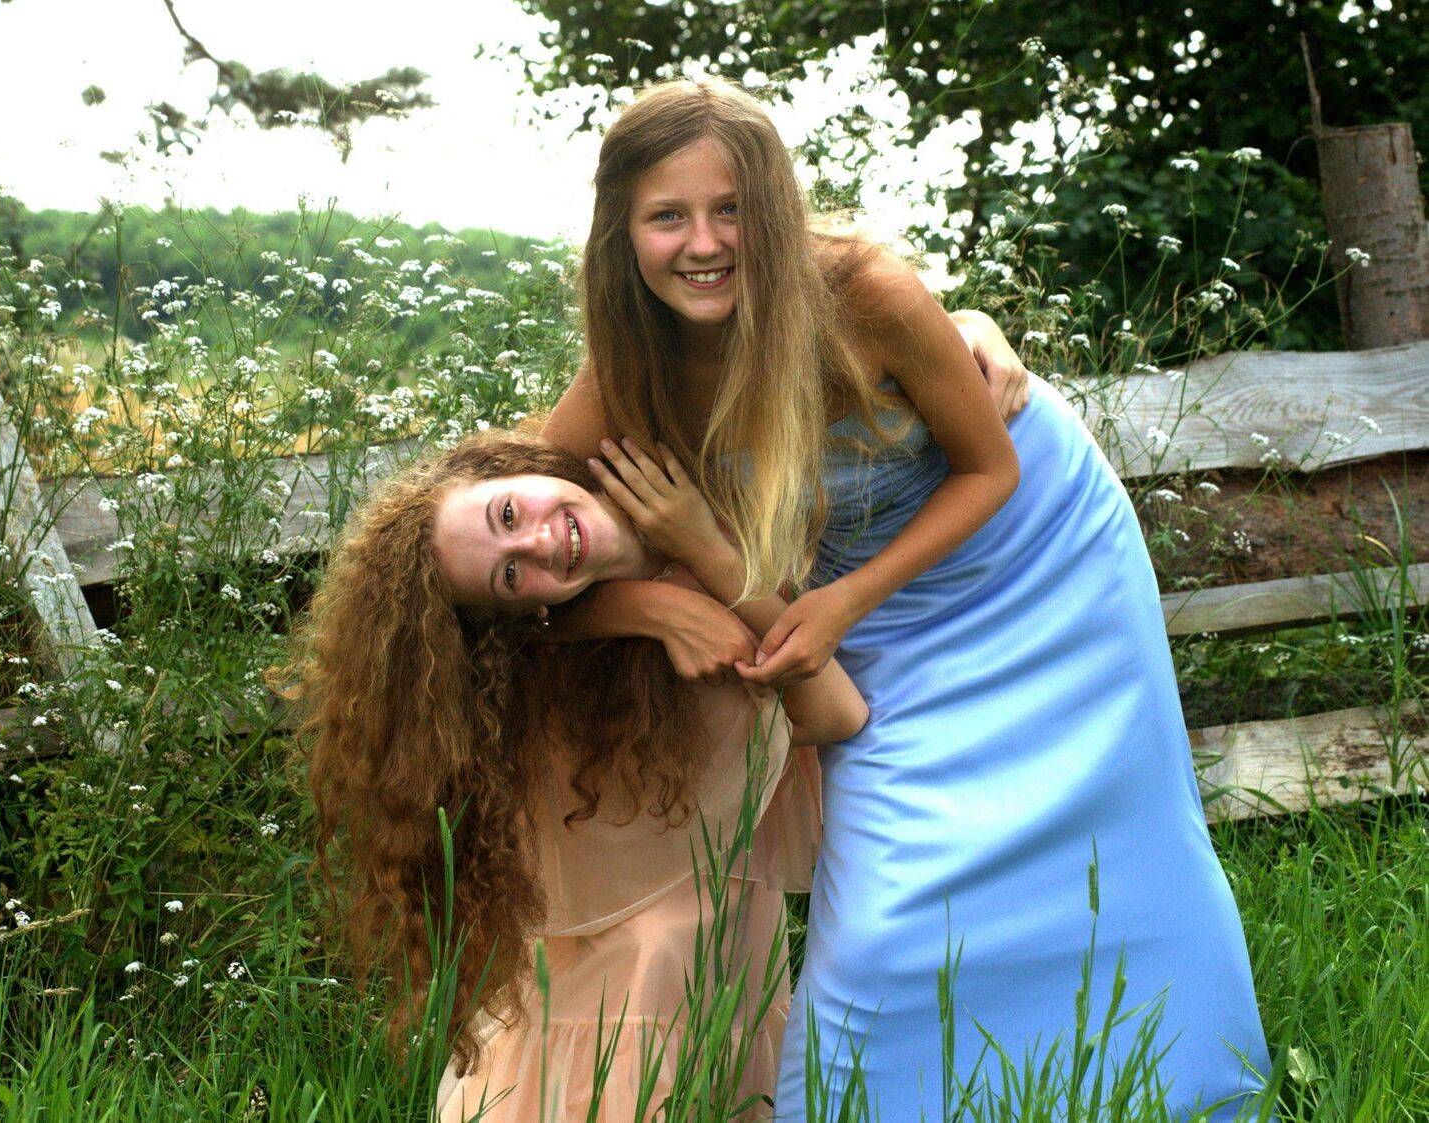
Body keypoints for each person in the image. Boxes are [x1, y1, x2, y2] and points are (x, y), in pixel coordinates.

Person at [539, 78, 1270, 1119]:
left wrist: (842, 604)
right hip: (871, 611)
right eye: (668, 216)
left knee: (1120, 851)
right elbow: (502, 545)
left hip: (1037, 566)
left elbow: (991, 468)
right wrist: (654, 607)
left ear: (774, 210)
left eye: (731, 209)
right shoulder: (629, 369)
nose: (704, 243)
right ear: (621, 230)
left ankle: (1173, 1091)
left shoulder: (862, 296)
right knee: (884, 918)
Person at [285, 429, 865, 1121]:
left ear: (510, 464)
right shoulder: (563, 655)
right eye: (509, 574)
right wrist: (659, 606)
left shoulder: (666, 469)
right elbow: (836, 710)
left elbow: (832, 710)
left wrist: (698, 552)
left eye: (507, 512)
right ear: (523, 612)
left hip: (709, 947)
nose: (535, 542)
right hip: (644, 973)